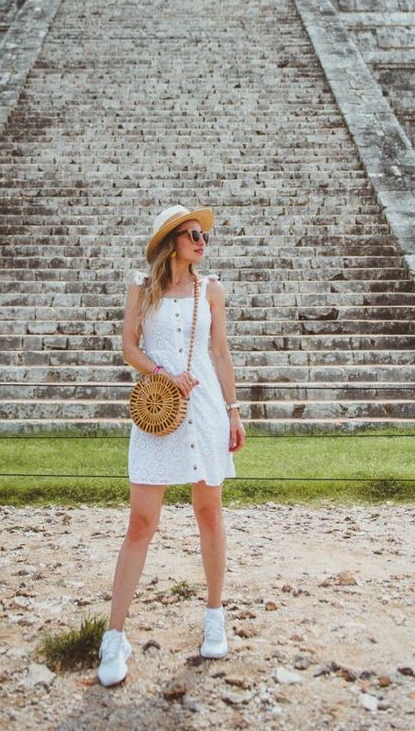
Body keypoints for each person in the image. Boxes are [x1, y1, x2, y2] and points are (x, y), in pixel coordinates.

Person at [97, 204, 246, 687]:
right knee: (140, 522)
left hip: (203, 407)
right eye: (192, 235)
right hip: (158, 407)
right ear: (171, 241)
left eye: (205, 236)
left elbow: (219, 352)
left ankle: (214, 615)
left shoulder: (213, 290)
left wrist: (233, 410)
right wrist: (163, 374)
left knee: (209, 512)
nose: (202, 242)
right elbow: (129, 347)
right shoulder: (142, 288)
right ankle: (114, 636)